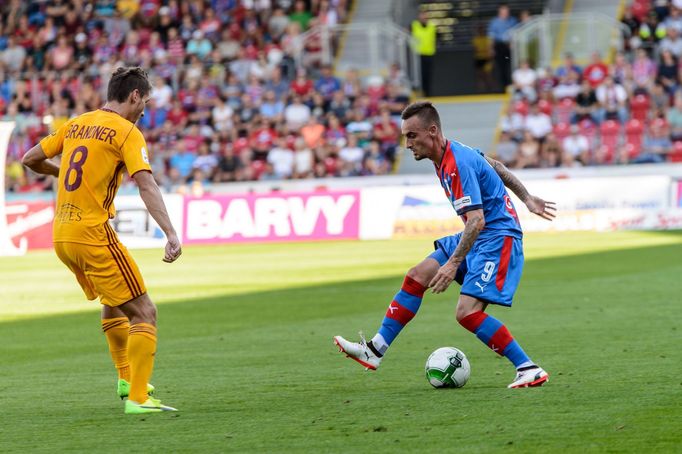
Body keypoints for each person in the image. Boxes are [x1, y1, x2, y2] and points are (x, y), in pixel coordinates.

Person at [334, 101, 556, 389]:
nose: (407, 144)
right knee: (417, 276)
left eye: (412, 136)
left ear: (433, 131)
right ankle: (375, 349)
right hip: (480, 234)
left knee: (466, 313)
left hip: (497, 237)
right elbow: (497, 166)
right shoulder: (449, 154)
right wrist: (526, 198)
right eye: (405, 136)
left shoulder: (457, 163)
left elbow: (476, 220)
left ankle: (528, 368)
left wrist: (452, 264)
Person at [21, 67, 181, 414]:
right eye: (145, 102)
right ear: (134, 96)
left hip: (62, 234)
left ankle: (126, 379)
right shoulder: (127, 133)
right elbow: (146, 185)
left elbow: (30, 159)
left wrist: (60, 171)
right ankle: (139, 398)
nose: (144, 111)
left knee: (114, 300)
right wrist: (170, 232)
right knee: (144, 312)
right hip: (92, 233)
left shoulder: (78, 122)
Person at [488, 4, 518, 90]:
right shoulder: (494, 22)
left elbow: (517, 32)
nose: (505, 13)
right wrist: (491, 48)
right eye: (504, 11)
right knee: (501, 67)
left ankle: (511, 85)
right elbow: (492, 36)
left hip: (510, 46)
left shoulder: (513, 20)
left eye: (507, 11)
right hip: (500, 46)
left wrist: (513, 43)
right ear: (500, 12)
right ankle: (503, 87)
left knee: (510, 66)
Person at [411, 11, 437, 96]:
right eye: (422, 16)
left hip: (429, 53)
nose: (423, 18)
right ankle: (419, 92)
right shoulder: (414, 25)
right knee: (418, 75)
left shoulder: (432, 26)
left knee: (427, 74)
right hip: (418, 54)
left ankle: (427, 93)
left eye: (425, 16)